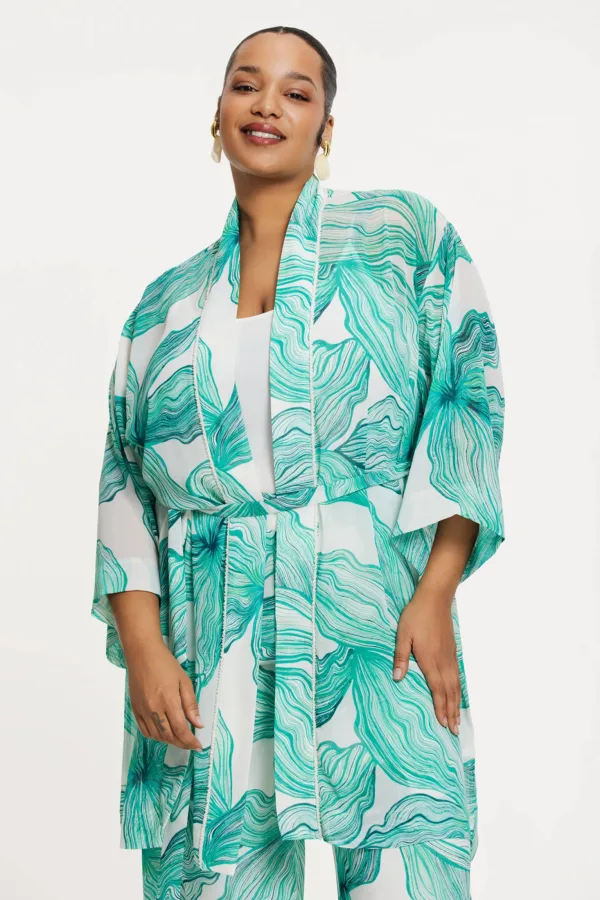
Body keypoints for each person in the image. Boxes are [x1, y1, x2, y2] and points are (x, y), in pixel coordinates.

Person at [92, 24, 506, 900]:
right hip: (211, 644)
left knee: (410, 870)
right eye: (246, 85)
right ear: (217, 116)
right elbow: (124, 482)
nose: (268, 105)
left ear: (325, 126)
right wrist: (144, 648)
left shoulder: (401, 238)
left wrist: (436, 591)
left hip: (375, 625)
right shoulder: (162, 309)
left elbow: (466, 400)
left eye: (296, 91)